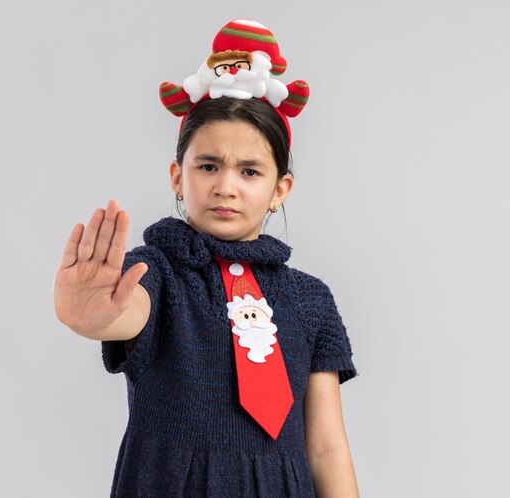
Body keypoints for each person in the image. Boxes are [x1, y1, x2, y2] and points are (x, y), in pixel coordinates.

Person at [53, 19, 359, 498]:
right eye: (208, 165)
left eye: (250, 171)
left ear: (280, 189)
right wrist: (93, 318)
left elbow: (326, 448)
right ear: (178, 177)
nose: (225, 185)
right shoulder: (155, 272)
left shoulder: (312, 300)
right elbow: (129, 311)